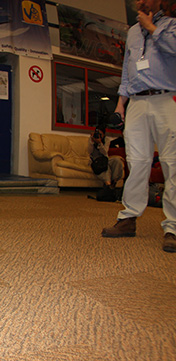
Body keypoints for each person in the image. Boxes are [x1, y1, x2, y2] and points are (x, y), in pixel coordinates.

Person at [101, 0, 176, 253]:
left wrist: (153, 28)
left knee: (171, 162)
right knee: (136, 161)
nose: (140, 2)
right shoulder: (132, 31)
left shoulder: (171, 25)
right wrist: (120, 105)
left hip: (167, 98)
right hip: (136, 102)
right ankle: (128, 218)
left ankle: (173, 228)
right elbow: (126, 70)